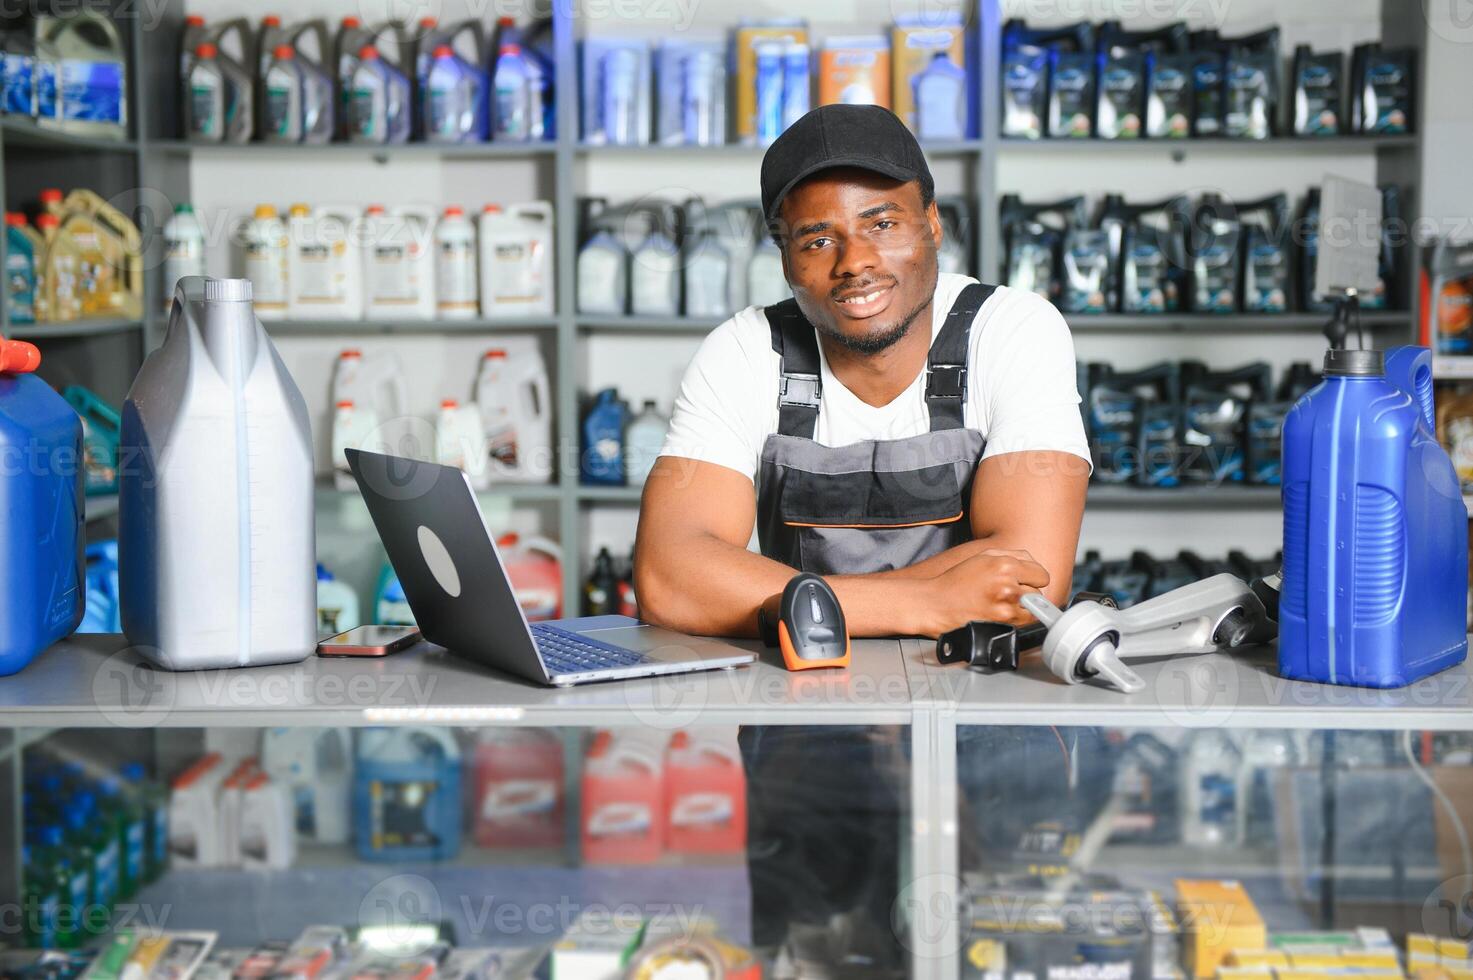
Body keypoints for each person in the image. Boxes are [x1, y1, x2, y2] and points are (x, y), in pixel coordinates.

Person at [631, 104, 1093, 964]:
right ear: (784, 258)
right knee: (810, 950)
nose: (854, 263)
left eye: (881, 222)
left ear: (931, 223)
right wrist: (925, 600)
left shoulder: (1011, 332)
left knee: (987, 948)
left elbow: (1027, 577)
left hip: (987, 732)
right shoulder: (747, 353)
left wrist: (802, 600)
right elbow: (668, 575)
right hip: (809, 738)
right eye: (816, 239)